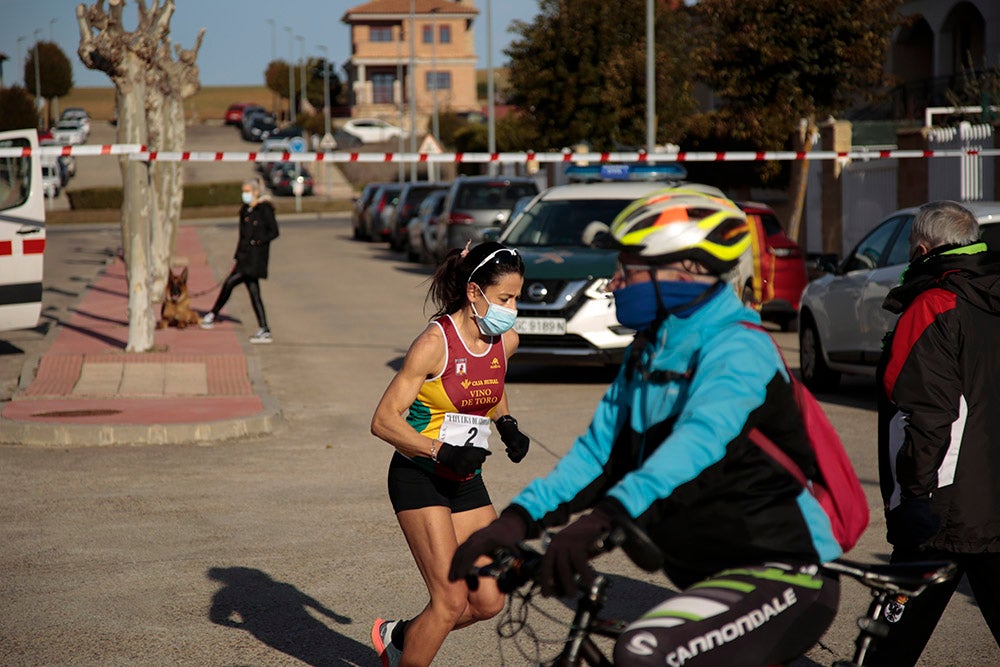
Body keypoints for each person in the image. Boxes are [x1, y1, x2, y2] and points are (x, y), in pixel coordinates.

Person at [449, 187, 842, 667]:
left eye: (627, 269)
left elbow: (694, 448)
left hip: (782, 572)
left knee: (643, 650)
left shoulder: (739, 350)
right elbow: (597, 455)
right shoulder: (648, 351)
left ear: (685, 272)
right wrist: (516, 519)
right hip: (707, 574)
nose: (614, 284)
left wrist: (602, 519)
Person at [369, 241, 532, 667]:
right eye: (505, 299)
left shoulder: (505, 340)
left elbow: (489, 387)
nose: (513, 308)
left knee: (490, 599)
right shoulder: (433, 344)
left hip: (465, 479)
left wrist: (507, 423)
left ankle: (401, 636)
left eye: (517, 298)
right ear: (474, 293)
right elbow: (384, 420)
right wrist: (440, 451)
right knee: (450, 600)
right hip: (419, 475)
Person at [867, 200, 1000, 666]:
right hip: (989, 500)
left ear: (922, 248)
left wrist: (914, 498)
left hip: (942, 505)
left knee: (884, 644)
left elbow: (925, 413)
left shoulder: (934, 306)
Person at [200, 176, 279, 344]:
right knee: (253, 293)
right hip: (243, 257)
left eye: (247, 192)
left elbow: (274, 232)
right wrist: (237, 255)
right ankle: (264, 329)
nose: (245, 195)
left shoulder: (265, 209)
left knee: (230, 283)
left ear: (256, 192)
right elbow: (242, 236)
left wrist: (258, 241)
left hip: (255, 259)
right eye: (243, 192)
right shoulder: (245, 210)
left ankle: (212, 314)